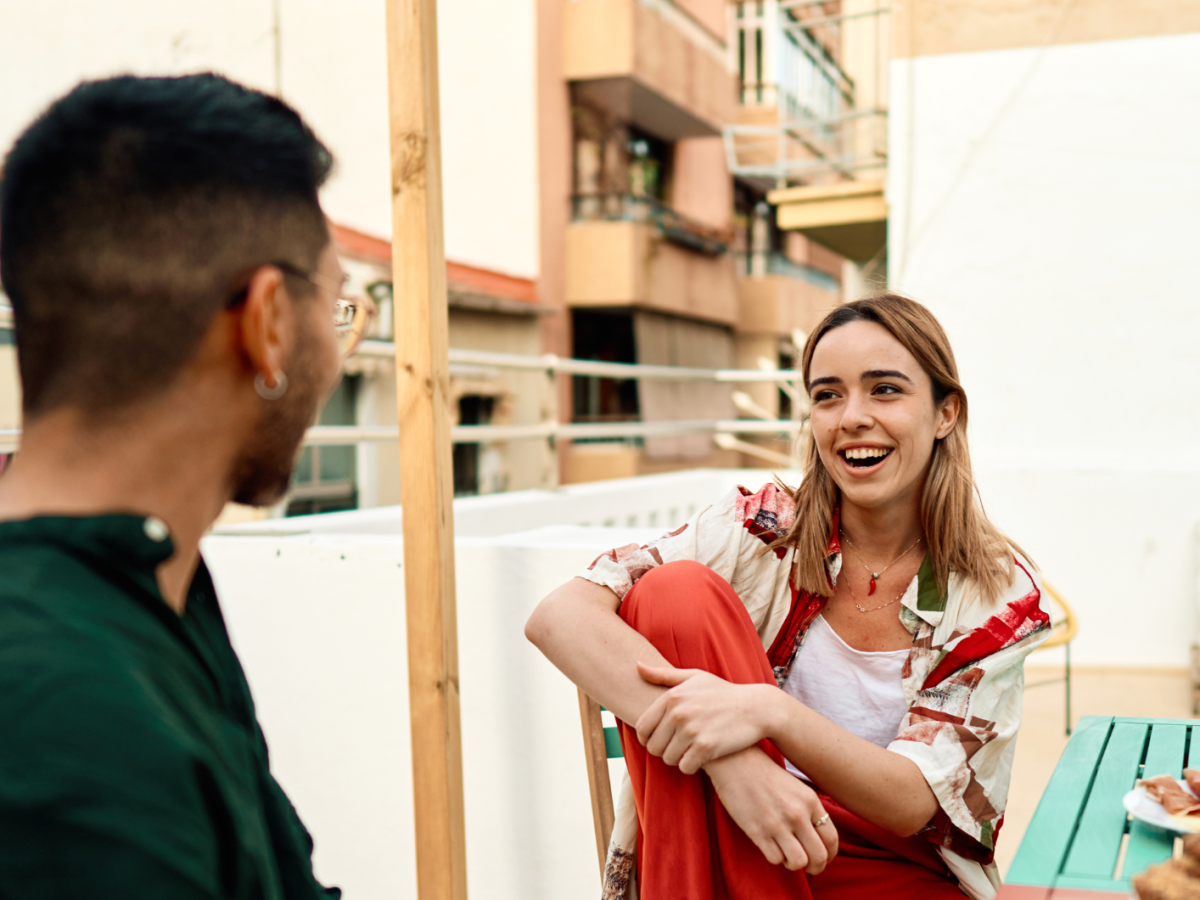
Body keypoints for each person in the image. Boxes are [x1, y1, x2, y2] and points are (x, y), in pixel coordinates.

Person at [526, 294, 1050, 900]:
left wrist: (768, 713)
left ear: (945, 413)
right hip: (735, 825)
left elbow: (914, 800)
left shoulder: (993, 591)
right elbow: (559, 616)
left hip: (881, 866)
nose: (851, 416)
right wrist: (741, 766)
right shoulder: (764, 529)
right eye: (828, 394)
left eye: (884, 390)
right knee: (673, 594)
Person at [0, 73, 373, 897]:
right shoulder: (66, 721)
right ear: (268, 321)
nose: (338, 350)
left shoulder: (153, 584)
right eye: (338, 306)